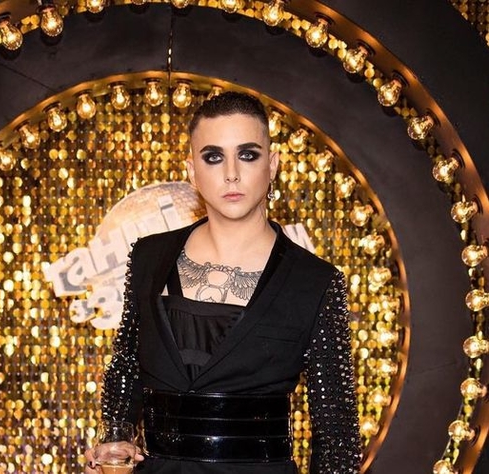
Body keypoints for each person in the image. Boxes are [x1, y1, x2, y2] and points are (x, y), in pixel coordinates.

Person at [86, 91, 361, 473]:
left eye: (247, 155)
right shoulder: (148, 256)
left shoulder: (316, 282)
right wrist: (115, 439)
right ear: (191, 170)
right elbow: (127, 365)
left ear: (273, 164)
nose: (231, 173)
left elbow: (337, 439)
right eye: (213, 157)